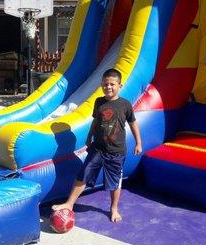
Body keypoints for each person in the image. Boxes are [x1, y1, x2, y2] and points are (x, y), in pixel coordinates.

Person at [52, 68, 142, 222]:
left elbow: (133, 123)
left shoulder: (125, 105)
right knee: (84, 173)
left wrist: (138, 142)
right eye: (105, 84)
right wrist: (89, 136)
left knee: (114, 182)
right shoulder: (99, 102)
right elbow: (95, 121)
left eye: (112, 84)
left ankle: (113, 209)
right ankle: (69, 203)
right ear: (101, 85)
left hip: (116, 151)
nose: (108, 87)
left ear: (120, 85)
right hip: (98, 148)